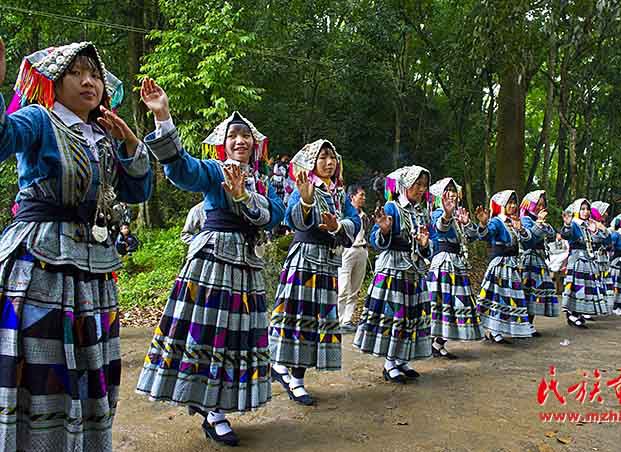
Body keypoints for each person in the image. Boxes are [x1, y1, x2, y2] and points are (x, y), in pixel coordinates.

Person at [0, 39, 153, 452]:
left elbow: (137, 191)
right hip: (42, 264)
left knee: (89, 370)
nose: (88, 82)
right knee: (42, 370)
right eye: (76, 73)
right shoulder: (40, 119)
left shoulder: (104, 136)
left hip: (95, 272)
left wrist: (130, 144)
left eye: (95, 75)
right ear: (54, 81)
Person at [135, 79, 284, 447]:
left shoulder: (264, 183)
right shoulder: (214, 171)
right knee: (211, 333)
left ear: (255, 144)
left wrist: (245, 197)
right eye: (233, 136)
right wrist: (163, 116)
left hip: (247, 266)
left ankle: (217, 404)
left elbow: (276, 215)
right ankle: (212, 411)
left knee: (235, 336)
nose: (240, 140)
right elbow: (182, 169)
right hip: (213, 263)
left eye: (246, 136)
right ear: (223, 143)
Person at [268, 139, 360, 406]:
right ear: (311, 162)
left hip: (328, 263)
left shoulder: (339, 193)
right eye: (322, 157)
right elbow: (292, 219)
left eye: (332, 157)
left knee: (316, 324)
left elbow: (354, 221)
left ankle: (288, 372)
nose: (329, 162)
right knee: (298, 319)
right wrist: (306, 202)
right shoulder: (304, 186)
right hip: (304, 261)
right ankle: (292, 376)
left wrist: (337, 227)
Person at [354, 166, 433, 383]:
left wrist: (425, 245)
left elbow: (430, 242)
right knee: (395, 316)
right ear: (405, 185)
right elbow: (376, 240)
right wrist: (385, 231)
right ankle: (389, 364)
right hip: (393, 270)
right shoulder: (392, 207)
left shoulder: (421, 211)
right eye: (417, 184)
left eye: (424, 185)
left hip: (414, 270)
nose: (421, 189)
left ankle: (401, 360)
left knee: (411, 316)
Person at [427, 177, 483, 359]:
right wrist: (447, 214)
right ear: (439, 196)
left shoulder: (459, 214)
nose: (452, 194)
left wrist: (467, 223)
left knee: (458, 305)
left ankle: (437, 343)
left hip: (458, 264)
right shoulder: (437, 213)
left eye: (453, 191)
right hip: (443, 263)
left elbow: (472, 237)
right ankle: (434, 343)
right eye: (447, 191)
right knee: (443, 304)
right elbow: (440, 228)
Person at [475, 190, 535, 343]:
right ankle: (494, 331)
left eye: (514, 203)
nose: (513, 206)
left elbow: (528, 240)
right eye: (510, 203)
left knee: (508, 298)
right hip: (500, 265)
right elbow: (486, 235)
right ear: (502, 204)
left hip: (512, 264)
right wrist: (483, 224)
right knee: (498, 297)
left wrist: (520, 228)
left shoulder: (515, 222)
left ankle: (499, 329)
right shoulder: (497, 221)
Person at [561, 199, 610, 328]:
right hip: (577, 260)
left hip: (588, 260)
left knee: (585, 288)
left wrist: (598, 230)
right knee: (576, 288)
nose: (586, 211)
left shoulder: (589, 224)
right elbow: (566, 234)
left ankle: (578, 313)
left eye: (587, 209)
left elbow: (602, 240)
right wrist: (567, 224)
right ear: (577, 210)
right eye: (582, 209)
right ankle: (571, 314)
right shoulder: (574, 224)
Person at [518, 190, 559, 335]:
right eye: (537, 205)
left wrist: (542, 223)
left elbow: (552, 235)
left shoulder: (539, 220)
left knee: (535, 293)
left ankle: (529, 323)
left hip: (540, 260)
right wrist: (540, 223)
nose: (540, 208)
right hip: (528, 260)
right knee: (527, 291)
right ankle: (523, 323)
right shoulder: (525, 219)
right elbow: (530, 239)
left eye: (542, 205)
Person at [337, 184, 370, 333]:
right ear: (352, 197)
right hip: (347, 250)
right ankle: (338, 320)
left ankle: (347, 320)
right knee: (343, 286)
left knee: (355, 288)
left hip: (362, 250)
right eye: (361, 195)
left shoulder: (365, 216)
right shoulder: (345, 214)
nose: (364, 198)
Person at [591, 201, 614, 315]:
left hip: (603, 257)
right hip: (594, 257)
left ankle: (602, 307)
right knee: (594, 282)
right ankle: (590, 308)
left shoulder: (601, 225)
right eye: (604, 211)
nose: (606, 214)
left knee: (603, 281)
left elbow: (609, 241)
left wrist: (604, 230)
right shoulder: (590, 224)